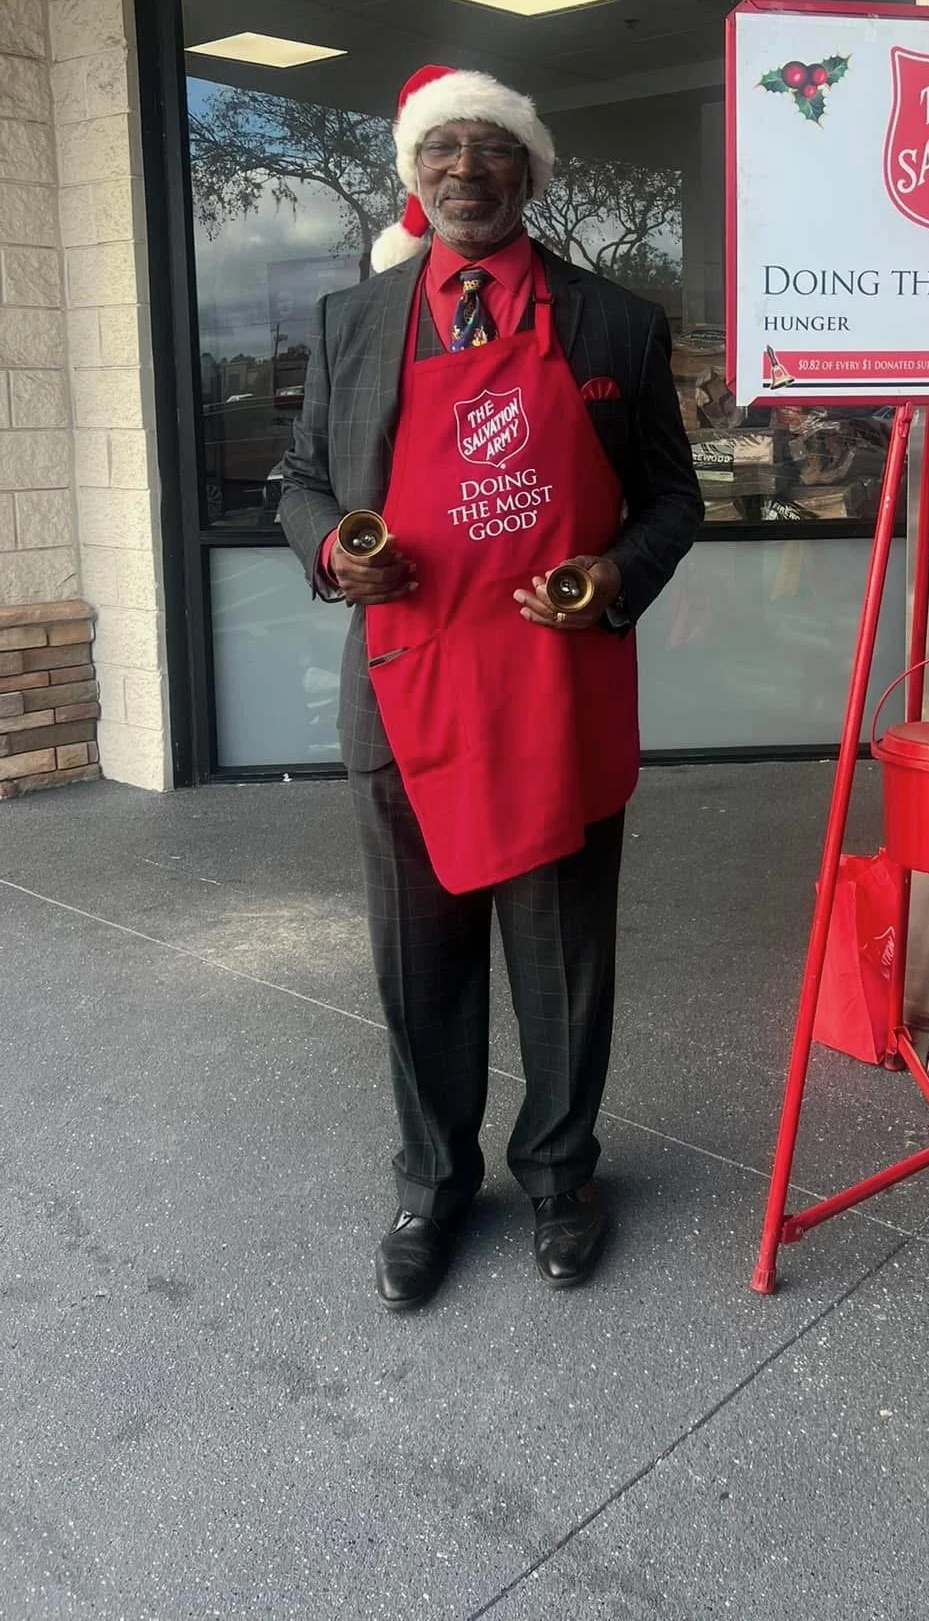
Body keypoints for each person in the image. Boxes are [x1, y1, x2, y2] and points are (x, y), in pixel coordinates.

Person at [280, 64, 703, 1309]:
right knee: (419, 961)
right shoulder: (353, 320)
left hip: (554, 684)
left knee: (563, 956)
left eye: (490, 148)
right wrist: (336, 547)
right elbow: (302, 479)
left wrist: (610, 573)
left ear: (529, 171)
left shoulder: (613, 320)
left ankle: (563, 1173)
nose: (464, 169)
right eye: (440, 150)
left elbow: (673, 499)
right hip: (407, 685)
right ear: (411, 175)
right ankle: (433, 1181)